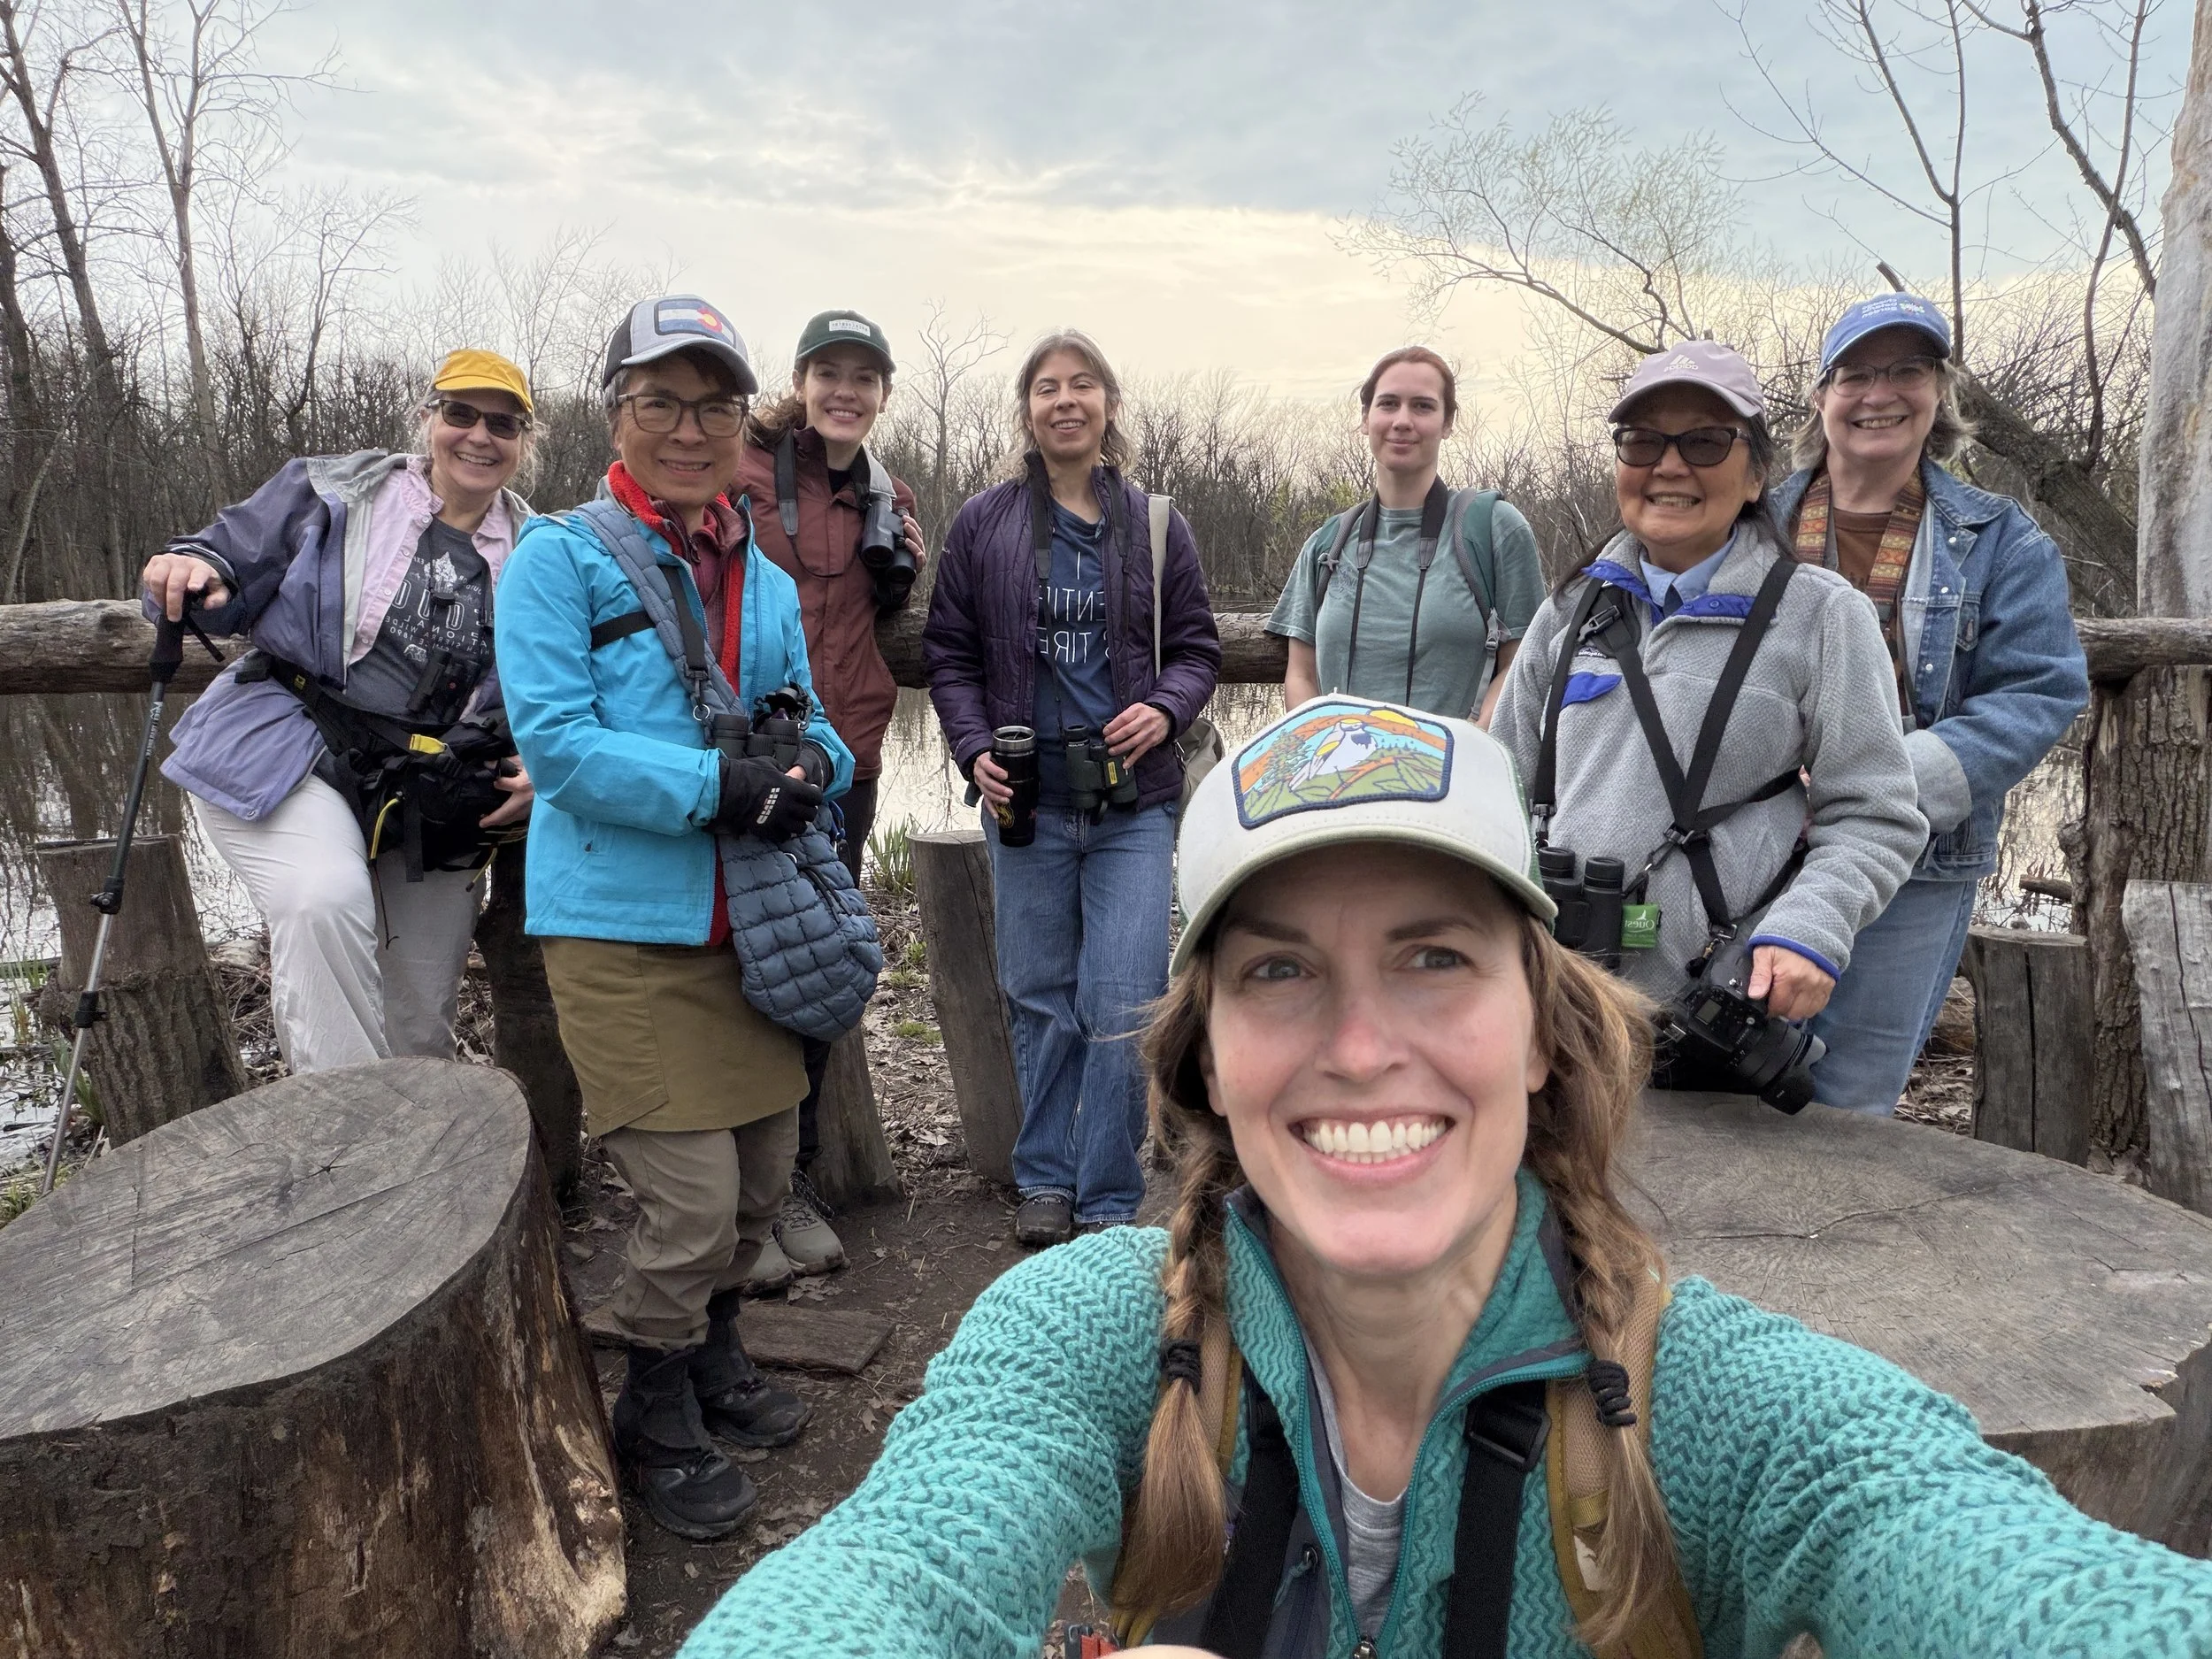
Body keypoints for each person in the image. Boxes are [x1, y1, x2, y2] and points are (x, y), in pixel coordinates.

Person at [673, 698, 2212, 1658]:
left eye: (1433, 959)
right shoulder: (1089, 1334)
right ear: (1206, 1059)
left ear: (1542, 1032)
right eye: (1279, 971)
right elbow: (900, 1568)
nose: (1359, 1046)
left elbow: (1987, 1562)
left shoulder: (1727, 1405)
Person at [495, 294, 855, 1541]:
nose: (690, 428)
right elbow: (562, 748)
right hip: (619, 927)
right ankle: (649, 1405)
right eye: (663, 400)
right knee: (691, 1201)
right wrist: (724, 785)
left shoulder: (756, 564)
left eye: (713, 404)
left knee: (759, 1187)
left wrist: (817, 766)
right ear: (620, 412)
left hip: (742, 919)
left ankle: (709, 1355)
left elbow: (802, 714)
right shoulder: (561, 556)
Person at [1490, 341, 1924, 1076]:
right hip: (1552, 1009)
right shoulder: (1570, 607)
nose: (1668, 464)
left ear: (1756, 474)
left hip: (1710, 1020)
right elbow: (1498, 786)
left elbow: (1876, 812)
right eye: (1643, 440)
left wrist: (1809, 928)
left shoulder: (1820, 616)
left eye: (1704, 441)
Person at [140, 349, 538, 1073]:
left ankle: (421, 1159)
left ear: (523, 442)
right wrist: (191, 567)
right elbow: (223, 557)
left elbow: (568, 686)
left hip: (434, 794)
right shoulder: (335, 489)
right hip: (294, 749)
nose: (480, 435)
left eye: (503, 423)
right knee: (323, 901)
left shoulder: (541, 549)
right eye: (461, 413)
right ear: (429, 419)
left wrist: (543, 766)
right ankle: (342, 1151)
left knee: (417, 1019)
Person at [922, 329, 1222, 1248]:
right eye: (1046, 387)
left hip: (1133, 805)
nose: (1064, 400)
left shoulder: (1157, 524)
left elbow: (1200, 649)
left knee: (1125, 997)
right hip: (1028, 803)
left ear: (1109, 406)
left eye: (1081, 384)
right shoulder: (983, 522)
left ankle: (1104, 1192)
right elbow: (949, 652)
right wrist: (972, 745)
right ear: (1026, 412)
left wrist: (1165, 710)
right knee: (1041, 994)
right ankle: (1043, 1177)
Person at [1773, 294, 2091, 1114]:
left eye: (1907, 370)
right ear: (1821, 395)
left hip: (1914, 863)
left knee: (1849, 1099)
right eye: (1856, 373)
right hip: (1748, 848)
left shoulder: (2002, 539)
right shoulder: (1753, 521)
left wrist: (1878, 781)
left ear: (1940, 392)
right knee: (1716, 1072)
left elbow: (2040, 687)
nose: (1880, 392)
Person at [734, 307, 926, 1286]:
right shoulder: (739, 462)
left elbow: (884, 605)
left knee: (809, 975)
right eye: (829, 373)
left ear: (882, 394)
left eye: (865, 376)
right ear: (801, 381)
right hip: (737, 766)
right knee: (730, 969)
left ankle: (786, 1185)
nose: (846, 390)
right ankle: (728, 1206)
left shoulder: (884, 496)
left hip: (842, 764)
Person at [1269, 346, 1546, 726]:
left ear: (1448, 423)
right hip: (1339, 776)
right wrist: (1319, 749)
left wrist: (1470, 749)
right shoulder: (1327, 543)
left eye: (1422, 406)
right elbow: (1302, 674)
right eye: (1388, 404)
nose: (1402, 420)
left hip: (1456, 777)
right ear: (1366, 418)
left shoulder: (1496, 529)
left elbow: (1521, 664)